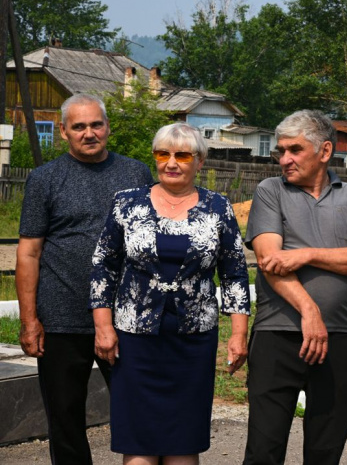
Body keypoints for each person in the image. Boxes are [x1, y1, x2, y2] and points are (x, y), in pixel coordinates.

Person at [88, 122, 250, 465]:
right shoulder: (127, 203)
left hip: (193, 341)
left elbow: (234, 273)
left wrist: (238, 334)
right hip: (136, 340)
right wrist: (103, 327)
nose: (171, 162)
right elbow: (104, 266)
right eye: (163, 154)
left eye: (182, 155)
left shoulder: (218, 207)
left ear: (200, 161)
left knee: (183, 442)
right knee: (139, 442)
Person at [15, 93, 153, 465]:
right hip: (61, 316)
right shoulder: (45, 179)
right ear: (63, 132)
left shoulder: (136, 174)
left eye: (96, 124)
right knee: (65, 419)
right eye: (79, 126)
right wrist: (30, 321)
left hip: (125, 317)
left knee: (139, 412)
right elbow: (28, 252)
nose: (89, 133)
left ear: (107, 127)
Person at [243, 109, 347, 465]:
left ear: (325, 151)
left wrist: (303, 255)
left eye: (294, 150)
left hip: (342, 337)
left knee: (325, 451)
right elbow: (271, 261)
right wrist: (310, 310)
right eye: (280, 151)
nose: (284, 159)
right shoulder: (270, 190)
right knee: (263, 450)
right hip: (278, 334)